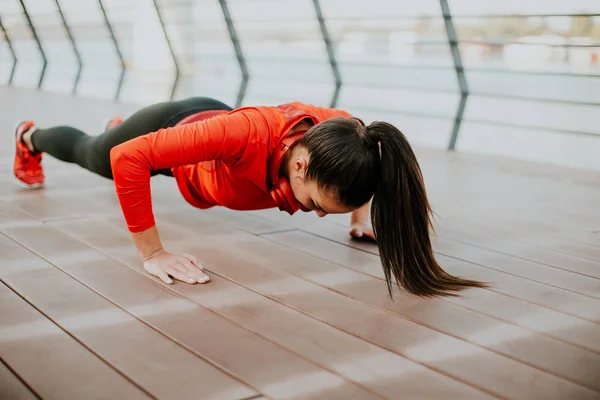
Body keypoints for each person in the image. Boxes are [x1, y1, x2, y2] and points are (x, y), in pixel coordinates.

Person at [13, 96, 486, 297]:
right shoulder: (244, 135)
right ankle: (30, 137)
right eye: (318, 204)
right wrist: (153, 252)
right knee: (97, 154)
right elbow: (128, 161)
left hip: (209, 141)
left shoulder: (344, 136)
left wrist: (358, 216)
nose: (317, 215)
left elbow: (367, 159)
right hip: (181, 133)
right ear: (300, 164)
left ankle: (118, 124)